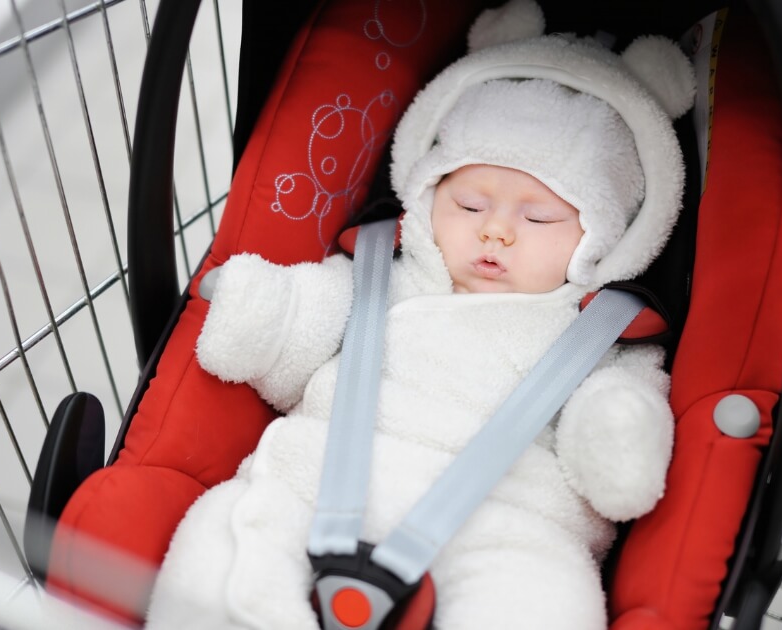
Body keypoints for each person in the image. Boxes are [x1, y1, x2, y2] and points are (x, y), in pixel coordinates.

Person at [146, 1, 696, 627]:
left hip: (507, 524)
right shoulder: (381, 275)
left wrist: (617, 431)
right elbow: (310, 323)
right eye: (467, 204)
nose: (495, 232)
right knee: (223, 538)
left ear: (609, 238)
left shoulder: (603, 335)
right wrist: (268, 312)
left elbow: (617, 452)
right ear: (428, 192)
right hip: (316, 480)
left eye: (539, 218)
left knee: (545, 600)